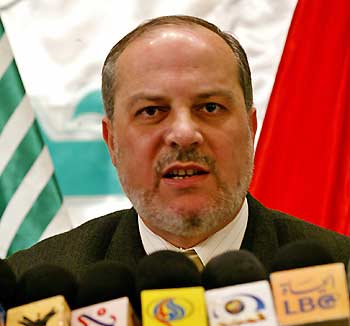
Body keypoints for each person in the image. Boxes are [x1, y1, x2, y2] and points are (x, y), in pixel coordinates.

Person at [7, 15, 350, 277]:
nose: (184, 134)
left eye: (210, 107)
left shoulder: (340, 273)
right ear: (111, 142)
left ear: (251, 127)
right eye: (152, 111)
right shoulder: (35, 288)